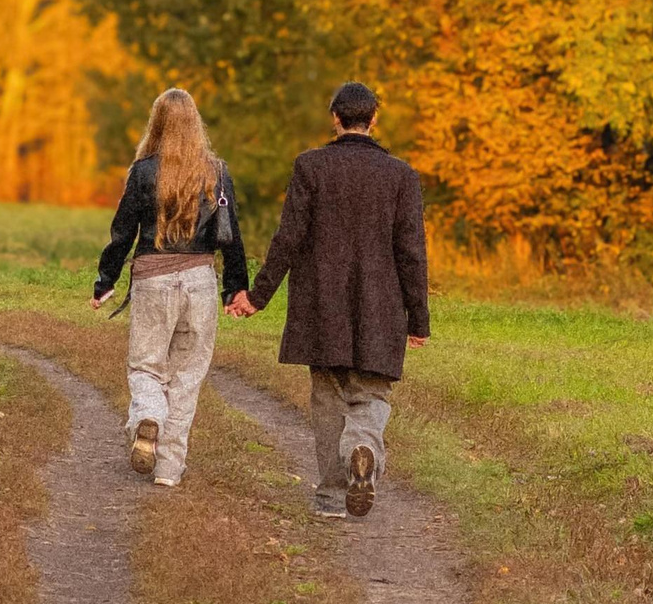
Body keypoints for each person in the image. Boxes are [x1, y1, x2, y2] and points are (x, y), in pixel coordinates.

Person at [227, 80, 428, 519]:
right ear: (374, 120)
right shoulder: (402, 176)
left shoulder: (310, 167)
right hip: (381, 308)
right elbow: (411, 252)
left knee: (328, 398)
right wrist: (419, 320)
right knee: (372, 395)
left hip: (322, 306)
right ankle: (363, 446)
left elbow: (288, 239)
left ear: (335, 118)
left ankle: (333, 496)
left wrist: (257, 297)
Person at [90, 86, 249, 488]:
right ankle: (169, 469)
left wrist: (105, 279)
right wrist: (235, 288)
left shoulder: (143, 172)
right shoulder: (217, 172)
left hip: (152, 278)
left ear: (156, 124)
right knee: (187, 375)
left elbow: (122, 232)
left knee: (147, 364)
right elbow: (232, 236)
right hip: (199, 280)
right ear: (196, 125)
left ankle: (148, 415)